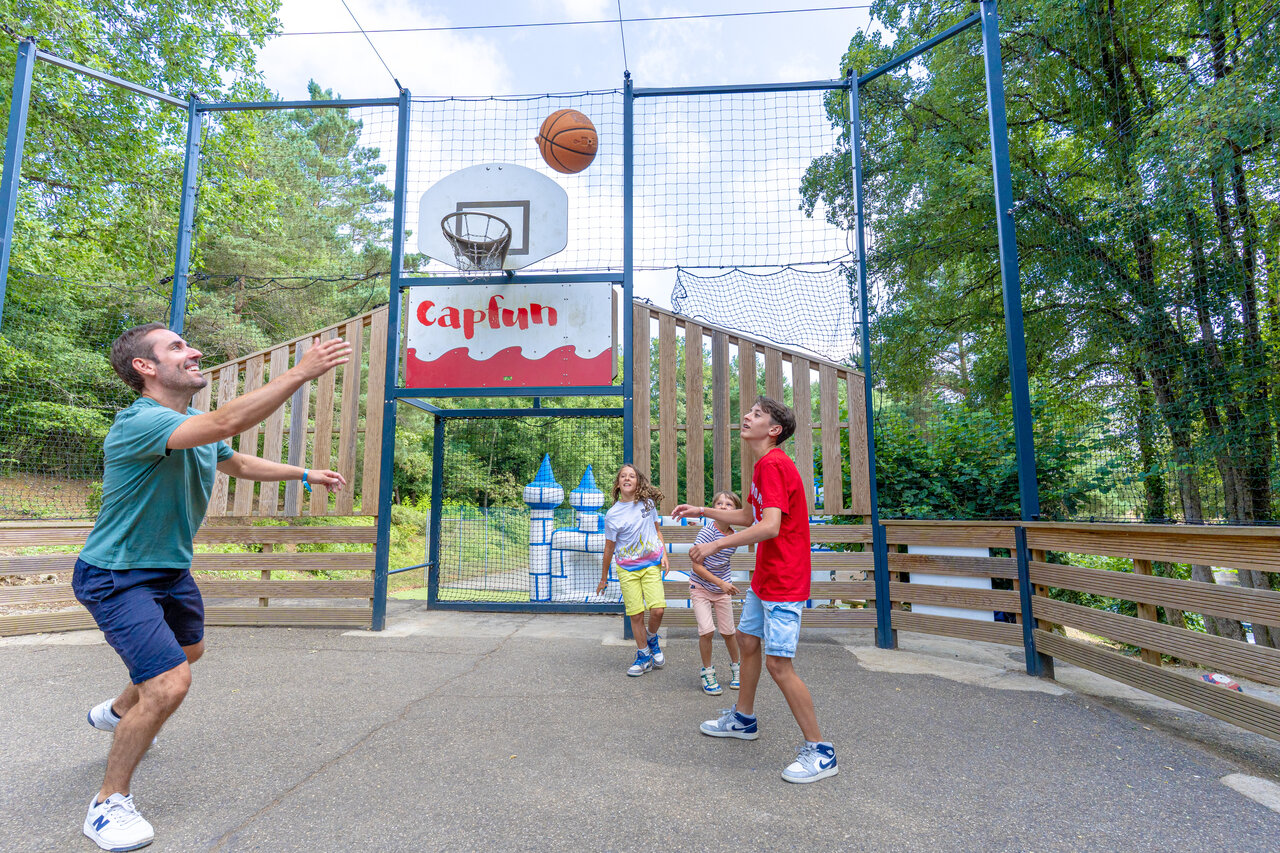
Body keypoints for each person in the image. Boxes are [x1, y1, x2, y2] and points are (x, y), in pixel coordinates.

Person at [74, 322, 350, 851]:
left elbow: (236, 458)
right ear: (145, 368)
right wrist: (300, 371)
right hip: (116, 573)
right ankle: (108, 805)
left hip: (169, 569)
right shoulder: (140, 423)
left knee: (189, 650)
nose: (193, 350)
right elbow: (229, 420)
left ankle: (114, 713)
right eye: (176, 346)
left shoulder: (193, 423)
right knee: (168, 684)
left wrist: (303, 474)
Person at [674, 396, 837, 784]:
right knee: (748, 642)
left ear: (774, 430)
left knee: (778, 664)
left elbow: (771, 527)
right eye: (749, 412)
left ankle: (821, 751)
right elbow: (750, 516)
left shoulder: (774, 463)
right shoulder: (762, 466)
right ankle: (744, 719)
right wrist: (704, 510)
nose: (747, 416)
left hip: (784, 580)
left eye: (757, 414)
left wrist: (715, 543)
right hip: (766, 578)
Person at [596, 463, 668, 676]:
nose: (627, 479)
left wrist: (664, 554)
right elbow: (609, 548)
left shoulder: (647, 505)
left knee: (657, 609)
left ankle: (652, 638)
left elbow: (657, 531)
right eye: (623, 476)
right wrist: (603, 578)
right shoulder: (612, 515)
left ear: (638, 482)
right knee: (636, 614)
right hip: (627, 569)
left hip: (651, 565)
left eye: (632, 476)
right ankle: (643, 655)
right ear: (618, 483)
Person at [686, 490, 743, 696]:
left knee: (729, 632)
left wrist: (723, 585)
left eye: (729, 505)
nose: (723, 507)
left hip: (722, 589)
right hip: (701, 586)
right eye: (719, 503)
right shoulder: (707, 533)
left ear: (736, 511)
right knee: (707, 631)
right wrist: (721, 583)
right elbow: (696, 567)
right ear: (713, 508)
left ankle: (738, 668)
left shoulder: (734, 536)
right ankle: (707, 671)